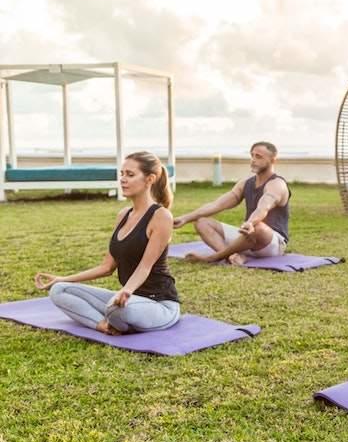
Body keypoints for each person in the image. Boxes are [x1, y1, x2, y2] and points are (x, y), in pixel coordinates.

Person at [34, 151, 180, 335]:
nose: (123, 179)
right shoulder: (123, 215)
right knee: (59, 290)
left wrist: (126, 290)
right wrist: (63, 278)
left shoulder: (161, 216)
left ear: (150, 179)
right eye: (122, 174)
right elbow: (106, 267)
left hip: (159, 304)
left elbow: (145, 267)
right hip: (128, 299)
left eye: (130, 174)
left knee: (116, 308)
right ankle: (104, 325)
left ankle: (117, 317)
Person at [173, 141, 291, 266]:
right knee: (202, 222)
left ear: (273, 160)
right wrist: (185, 218)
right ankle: (233, 255)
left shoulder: (277, 184)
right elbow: (217, 205)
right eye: (252, 155)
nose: (253, 160)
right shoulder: (245, 183)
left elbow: (263, 207)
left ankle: (215, 257)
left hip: (270, 243)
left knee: (259, 227)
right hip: (247, 237)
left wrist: (250, 223)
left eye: (259, 157)